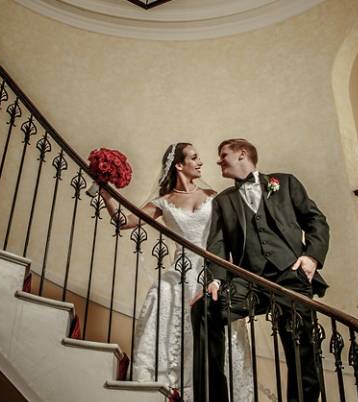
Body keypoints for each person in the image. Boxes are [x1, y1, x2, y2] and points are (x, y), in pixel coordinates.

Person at [101, 143, 253, 401]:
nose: (201, 162)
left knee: (214, 331)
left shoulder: (214, 196)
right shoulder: (163, 202)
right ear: (179, 165)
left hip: (211, 273)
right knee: (162, 298)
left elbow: (231, 235)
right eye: (194, 158)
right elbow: (125, 222)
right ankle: (167, 386)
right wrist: (106, 193)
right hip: (179, 273)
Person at [191, 138, 330, 402]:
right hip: (249, 280)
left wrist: (311, 257)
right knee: (205, 309)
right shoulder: (223, 201)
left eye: (223, 155)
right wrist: (216, 280)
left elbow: (316, 220)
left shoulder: (285, 183)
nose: (219, 161)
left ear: (242, 154)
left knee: (301, 348)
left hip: (290, 276)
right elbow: (217, 244)